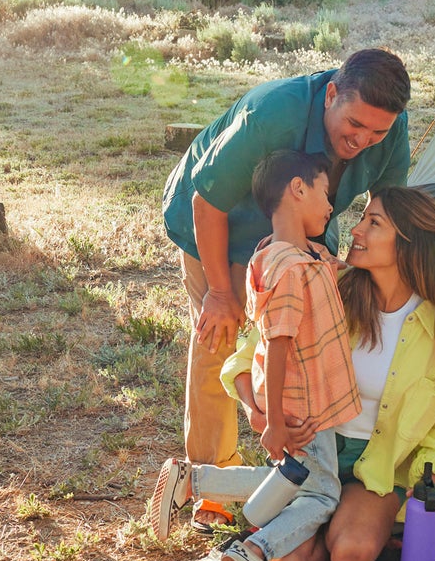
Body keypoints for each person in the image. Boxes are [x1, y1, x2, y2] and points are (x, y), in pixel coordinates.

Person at [155, 187, 435, 561]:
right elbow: (251, 353)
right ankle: (308, 509)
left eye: (373, 223)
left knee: (350, 553)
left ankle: (317, 509)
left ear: (409, 243)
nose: (355, 230)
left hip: (378, 467)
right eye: (362, 217)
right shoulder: (327, 286)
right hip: (314, 446)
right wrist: (259, 410)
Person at [161, 48, 411, 532]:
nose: (363, 140)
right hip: (219, 222)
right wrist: (220, 292)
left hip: (306, 224)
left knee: (306, 335)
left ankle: (284, 473)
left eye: (376, 133)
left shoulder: (387, 125)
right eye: (354, 125)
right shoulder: (272, 111)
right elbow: (206, 201)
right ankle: (211, 478)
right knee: (222, 336)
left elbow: (393, 204)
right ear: (332, 94)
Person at [149, 150, 362, 561]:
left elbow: (319, 273)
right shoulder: (290, 270)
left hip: (295, 398)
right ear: (297, 189)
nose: (331, 206)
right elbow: (279, 342)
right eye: (325, 193)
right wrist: (279, 421)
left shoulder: (280, 256)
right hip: (305, 403)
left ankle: (194, 481)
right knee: (322, 494)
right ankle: (254, 552)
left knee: (292, 477)